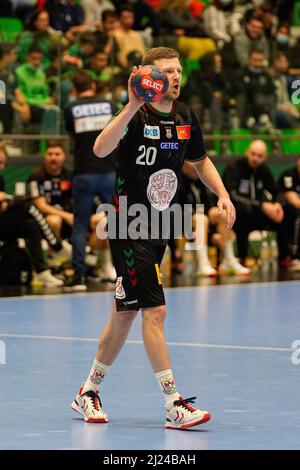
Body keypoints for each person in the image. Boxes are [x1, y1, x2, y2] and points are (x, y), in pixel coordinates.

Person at [71, 47, 235, 429]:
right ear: (147, 77)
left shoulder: (185, 117)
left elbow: (201, 160)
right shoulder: (135, 114)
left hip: (161, 225)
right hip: (128, 225)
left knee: (125, 313)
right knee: (155, 311)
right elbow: (100, 148)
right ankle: (173, 403)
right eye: (166, 72)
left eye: (178, 71)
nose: (175, 77)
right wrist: (129, 105)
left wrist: (222, 193)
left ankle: (87, 393)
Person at [64, 71, 117, 290]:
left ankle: (78, 277)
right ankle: (123, 272)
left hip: (83, 172)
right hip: (108, 172)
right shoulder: (109, 105)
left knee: (80, 224)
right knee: (118, 224)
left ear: (75, 89)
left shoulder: (70, 108)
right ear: (94, 85)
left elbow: (72, 136)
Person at [0, 143, 63, 287]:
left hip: (3, 224)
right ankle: (57, 247)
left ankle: (41, 272)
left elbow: (3, 207)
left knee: (31, 224)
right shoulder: (37, 176)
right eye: (0, 162)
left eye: (4, 163)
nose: (3, 167)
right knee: (28, 206)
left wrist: (7, 201)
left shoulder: (0, 180)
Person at [222, 139, 292, 264]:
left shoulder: (263, 170)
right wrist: (262, 205)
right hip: (238, 214)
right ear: (247, 152)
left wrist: (277, 205)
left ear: (264, 157)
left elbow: (278, 192)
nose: (255, 158)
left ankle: (284, 257)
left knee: (286, 211)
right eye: (253, 154)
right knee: (245, 210)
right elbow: (232, 196)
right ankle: (242, 258)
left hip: (258, 214)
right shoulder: (234, 168)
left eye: (259, 156)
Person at [278, 156, 300, 271]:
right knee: (296, 215)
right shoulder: (289, 175)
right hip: (286, 213)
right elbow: (294, 201)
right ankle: (294, 257)